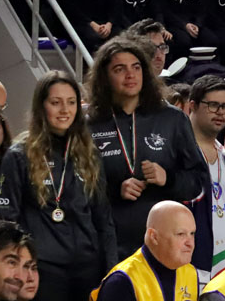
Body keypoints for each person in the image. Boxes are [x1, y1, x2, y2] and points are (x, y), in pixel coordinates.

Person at [0, 71, 117, 301]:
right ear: (41, 106)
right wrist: (21, 269)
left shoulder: (88, 152)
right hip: (45, 270)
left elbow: (103, 217)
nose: (65, 110)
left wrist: (111, 269)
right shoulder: (19, 155)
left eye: (71, 102)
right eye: (56, 102)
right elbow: (8, 221)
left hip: (88, 267)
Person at [87, 37, 205, 259]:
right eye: (119, 69)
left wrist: (167, 179)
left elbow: (198, 182)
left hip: (165, 245)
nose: (130, 75)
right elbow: (77, 189)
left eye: (136, 67)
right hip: (110, 244)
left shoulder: (172, 119)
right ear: (104, 77)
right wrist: (114, 190)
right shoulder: (91, 124)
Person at [185, 75, 225, 285]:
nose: (221, 113)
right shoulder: (179, 151)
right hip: (191, 264)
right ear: (192, 106)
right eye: (213, 105)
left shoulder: (224, 153)